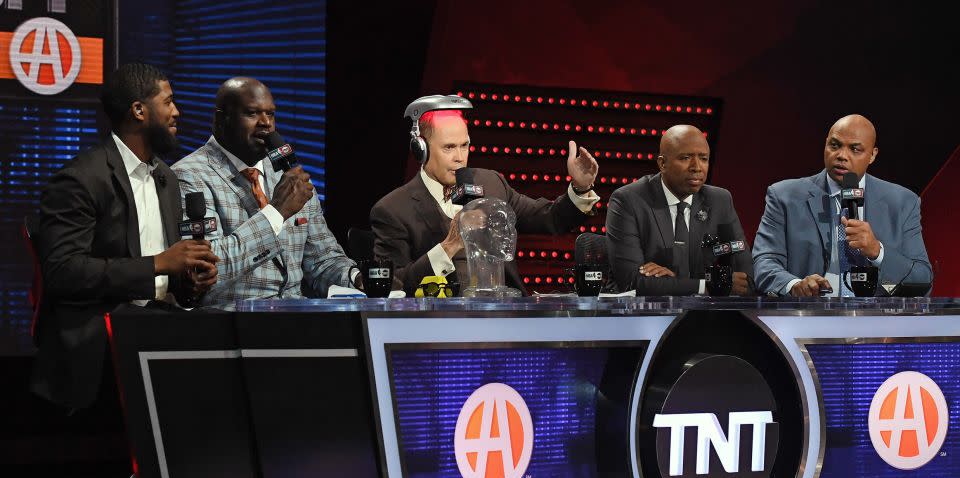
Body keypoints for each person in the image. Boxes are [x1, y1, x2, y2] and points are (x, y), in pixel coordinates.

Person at [34, 63, 218, 410]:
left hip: (155, 327)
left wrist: (190, 281)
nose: (176, 112)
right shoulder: (81, 178)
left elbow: (165, 280)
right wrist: (158, 264)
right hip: (101, 338)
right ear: (139, 110)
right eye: (169, 102)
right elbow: (62, 272)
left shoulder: (166, 177)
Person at [370, 102, 599, 296]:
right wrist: (448, 246)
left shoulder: (491, 183)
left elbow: (550, 219)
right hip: (442, 326)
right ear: (421, 150)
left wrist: (580, 187)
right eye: (449, 148)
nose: (460, 158)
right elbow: (393, 287)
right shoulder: (392, 210)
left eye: (464, 146)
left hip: (505, 315)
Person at [173, 77, 360, 307]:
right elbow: (210, 270)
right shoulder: (189, 175)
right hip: (231, 321)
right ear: (221, 119)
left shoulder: (288, 175)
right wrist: (276, 212)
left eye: (270, 114)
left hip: (297, 320)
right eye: (252, 113)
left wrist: (357, 278)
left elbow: (322, 261)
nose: (266, 124)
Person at [752, 114, 932, 296]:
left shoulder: (902, 202)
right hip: (808, 315)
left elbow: (922, 279)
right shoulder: (784, 196)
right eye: (835, 145)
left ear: (872, 155)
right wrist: (795, 285)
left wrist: (877, 252)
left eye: (855, 149)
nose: (841, 156)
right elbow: (764, 262)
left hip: (875, 318)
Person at [605, 125, 753, 295]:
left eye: (704, 158)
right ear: (662, 163)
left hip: (703, 316)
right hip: (645, 315)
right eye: (685, 158)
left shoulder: (720, 201)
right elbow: (632, 282)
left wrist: (673, 282)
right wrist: (709, 285)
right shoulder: (628, 201)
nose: (697, 167)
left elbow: (745, 279)